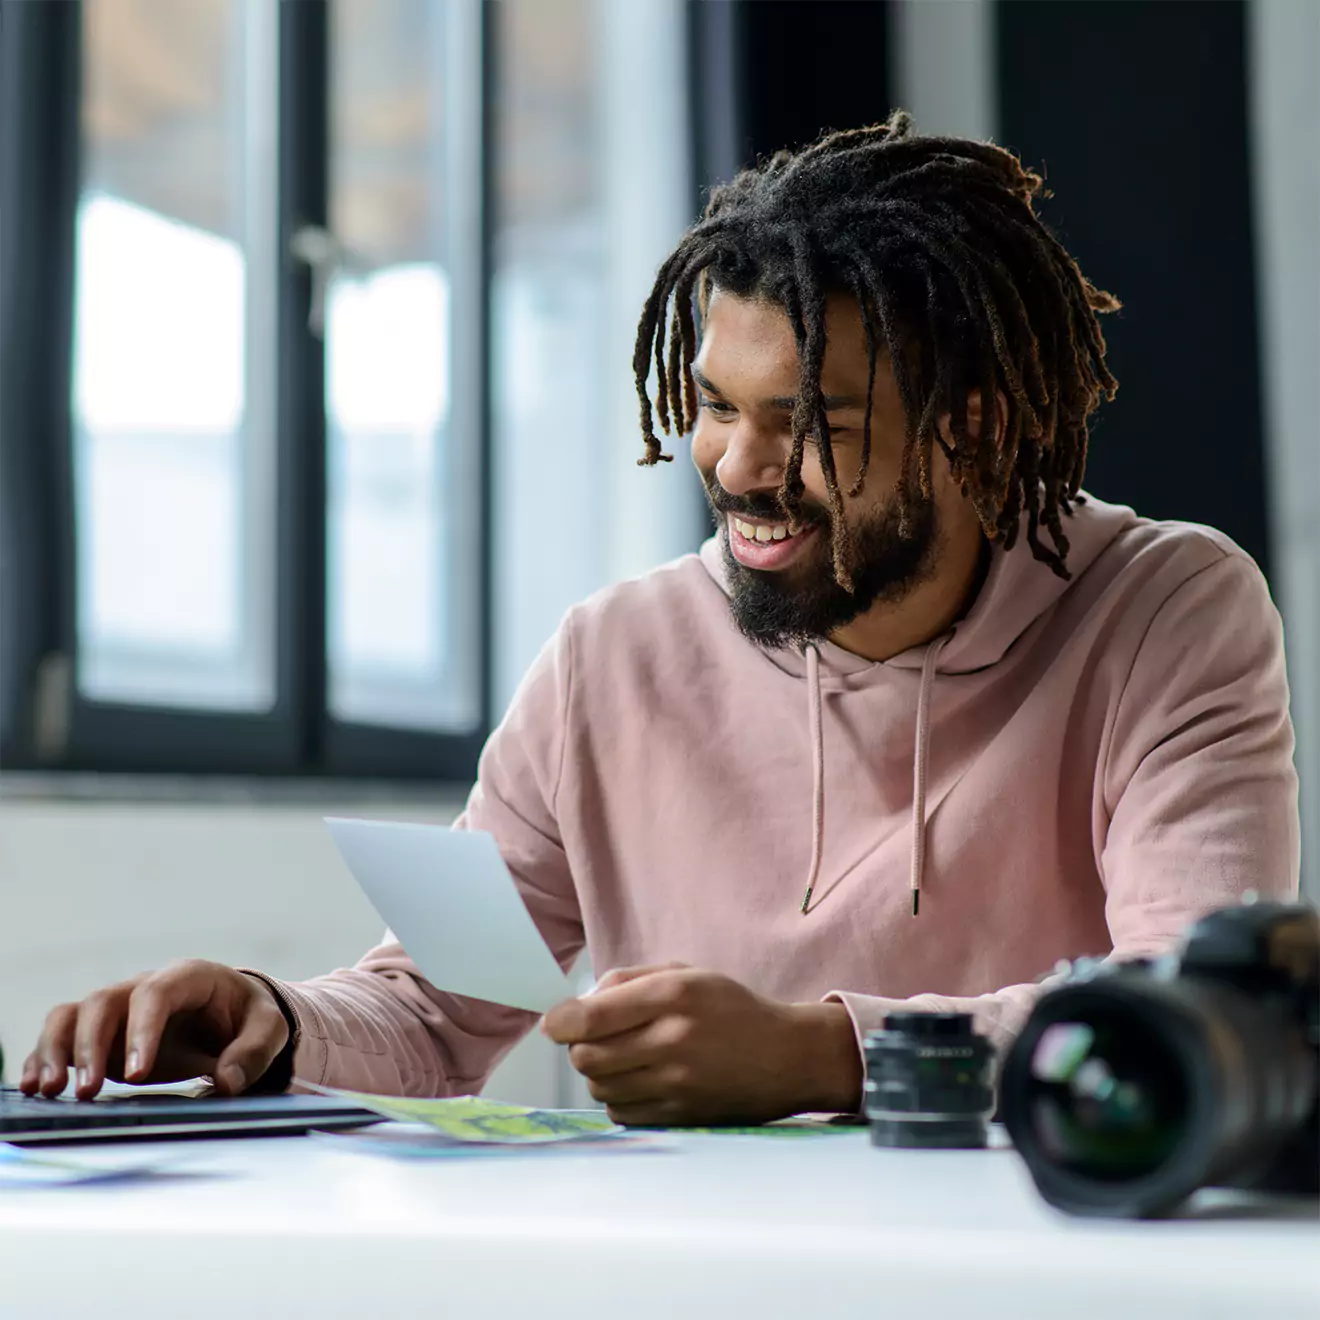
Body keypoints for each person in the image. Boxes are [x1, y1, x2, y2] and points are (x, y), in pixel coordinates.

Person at [20, 112, 1299, 1126]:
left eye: (813, 426)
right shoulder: (610, 658)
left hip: (1038, 1259)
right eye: (716, 405)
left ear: (970, 426)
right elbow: (435, 1011)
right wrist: (271, 1020)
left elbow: (1194, 1008)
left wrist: (823, 1056)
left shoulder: (1166, 609)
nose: (739, 467)